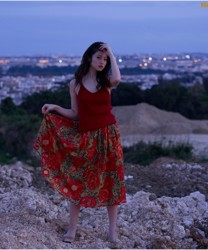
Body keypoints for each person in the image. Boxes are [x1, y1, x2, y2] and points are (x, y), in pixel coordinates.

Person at [33, 42, 126, 244]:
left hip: (108, 137)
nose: (102, 62)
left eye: (105, 59)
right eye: (99, 58)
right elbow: (75, 114)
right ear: (89, 59)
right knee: (78, 181)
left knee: (112, 182)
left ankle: (112, 231)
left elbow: (118, 78)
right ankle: (72, 229)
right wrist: (56, 107)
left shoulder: (107, 82)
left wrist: (111, 53)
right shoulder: (75, 83)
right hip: (86, 138)